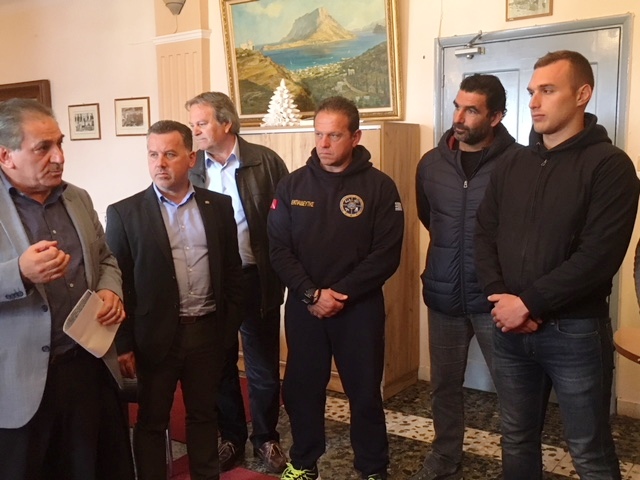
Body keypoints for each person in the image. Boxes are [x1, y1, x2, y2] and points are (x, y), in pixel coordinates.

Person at [475, 50, 640, 479]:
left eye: (548, 91)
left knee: (589, 451)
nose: (533, 102)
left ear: (582, 94)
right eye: (532, 91)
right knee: (516, 437)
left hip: (574, 332)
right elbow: (483, 234)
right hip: (509, 327)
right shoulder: (513, 163)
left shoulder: (610, 166)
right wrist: (500, 298)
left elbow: (598, 257)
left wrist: (527, 303)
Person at [268, 96, 404, 480]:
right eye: (319, 135)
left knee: (364, 393)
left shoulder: (380, 187)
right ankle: (304, 462)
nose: (324, 144)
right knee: (302, 390)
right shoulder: (292, 184)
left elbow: (386, 255)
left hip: (358, 310)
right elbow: (278, 249)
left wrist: (338, 294)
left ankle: (373, 468)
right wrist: (311, 294)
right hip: (304, 306)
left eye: (334, 135)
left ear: (356, 137)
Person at [0, 98, 134, 480]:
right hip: (20, 384)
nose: (59, 157)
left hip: (89, 366)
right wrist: (19, 273)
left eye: (59, 143)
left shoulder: (77, 197)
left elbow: (105, 258)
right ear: (6, 156)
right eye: (43, 147)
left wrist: (110, 291)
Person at [105, 120, 243, 480]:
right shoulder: (124, 213)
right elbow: (117, 283)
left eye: (169, 154)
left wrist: (227, 329)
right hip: (154, 337)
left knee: (204, 416)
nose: (160, 163)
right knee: (152, 421)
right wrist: (123, 344)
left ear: (191, 158)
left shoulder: (218, 206)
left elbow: (232, 271)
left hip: (207, 332)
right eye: (153, 155)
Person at [412, 74, 520, 480]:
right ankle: (444, 455)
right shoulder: (431, 163)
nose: (458, 117)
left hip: (496, 299)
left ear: (496, 116)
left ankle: (518, 462)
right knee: (444, 385)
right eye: (457, 106)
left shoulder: (519, 163)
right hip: (443, 295)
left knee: (513, 389)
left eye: (471, 110)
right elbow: (430, 218)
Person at [186, 91, 290, 473]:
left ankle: (266, 439)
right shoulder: (192, 167)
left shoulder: (265, 162)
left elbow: (286, 221)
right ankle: (231, 437)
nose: (195, 131)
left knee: (262, 368)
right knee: (220, 365)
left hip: (256, 278)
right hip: (211, 282)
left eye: (201, 123)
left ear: (226, 123)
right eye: (193, 124)